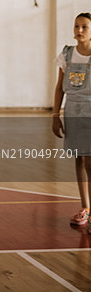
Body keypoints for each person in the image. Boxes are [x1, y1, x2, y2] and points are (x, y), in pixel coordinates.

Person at [52, 12, 91, 232]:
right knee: (79, 158)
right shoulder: (67, 54)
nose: (79, 31)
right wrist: (55, 115)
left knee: (89, 162)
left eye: (85, 27)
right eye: (77, 26)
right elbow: (59, 87)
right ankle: (85, 207)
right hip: (72, 111)